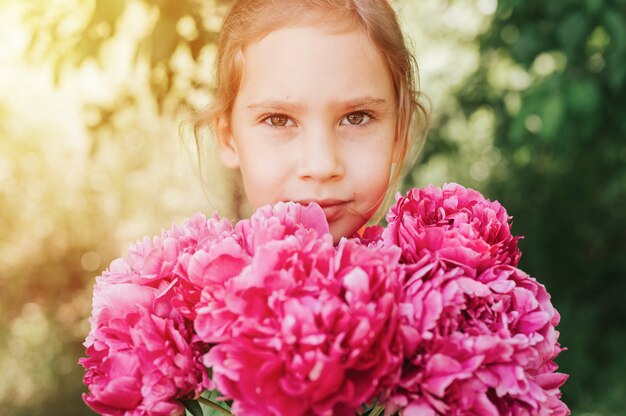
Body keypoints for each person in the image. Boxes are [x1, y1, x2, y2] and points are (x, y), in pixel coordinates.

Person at [192, 0, 429, 244]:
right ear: (228, 138)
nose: (321, 167)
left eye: (356, 118)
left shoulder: (448, 278)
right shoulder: (190, 282)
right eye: (279, 120)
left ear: (399, 133)